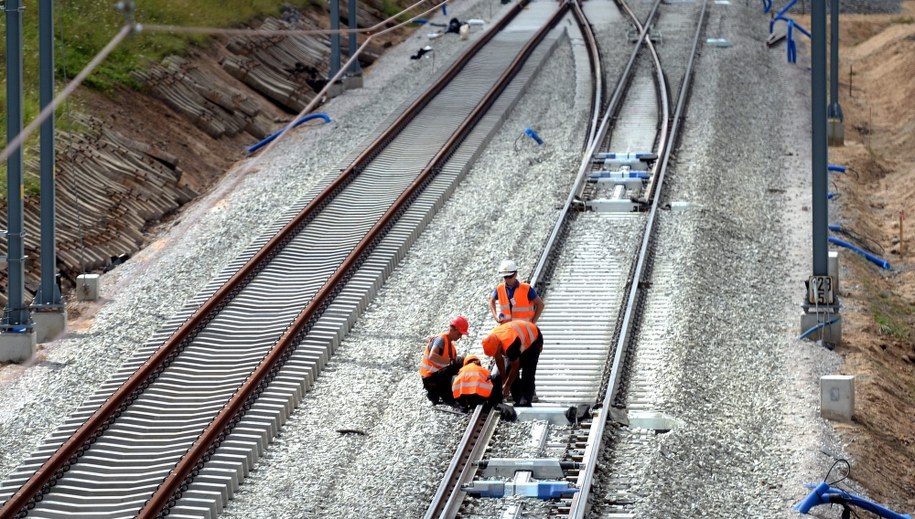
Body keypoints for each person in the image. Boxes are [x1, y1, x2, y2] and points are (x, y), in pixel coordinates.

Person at [481, 320, 543, 407]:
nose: (495, 355)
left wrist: (507, 385)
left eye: (496, 352)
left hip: (534, 339)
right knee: (508, 371)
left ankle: (526, 401)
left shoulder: (510, 345)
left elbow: (515, 366)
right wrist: (503, 379)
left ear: (499, 345)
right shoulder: (492, 339)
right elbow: (498, 359)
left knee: (528, 372)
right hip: (520, 337)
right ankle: (517, 399)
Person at [419, 316, 469, 405]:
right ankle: (447, 397)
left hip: (437, 376)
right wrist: (451, 362)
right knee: (456, 364)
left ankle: (447, 394)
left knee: (460, 364)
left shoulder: (450, 346)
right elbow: (432, 356)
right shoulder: (441, 340)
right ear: (453, 330)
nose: (460, 337)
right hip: (430, 378)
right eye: (459, 334)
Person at [488, 259, 544, 325]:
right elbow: (491, 301)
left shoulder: (526, 289)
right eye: (505, 277)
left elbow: (540, 305)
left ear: (516, 274)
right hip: (507, 330)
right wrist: (495, 316)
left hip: (524, 329)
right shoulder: (499, 288)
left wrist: (532, 323)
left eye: (510, 276)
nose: (508, 279)